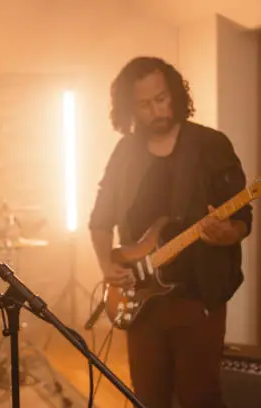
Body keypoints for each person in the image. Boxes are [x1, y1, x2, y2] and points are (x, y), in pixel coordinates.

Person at [89, 56, 252, 407]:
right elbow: (100, 218)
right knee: (148, 397)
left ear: (175, 94)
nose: (157, 110)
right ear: (130, 108)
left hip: (198, 299)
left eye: (162, 98)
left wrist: (227, 233)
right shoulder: (125, 152)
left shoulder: (211, 146)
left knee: (200, 397)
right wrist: (106, 264)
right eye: (145, 104)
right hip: (141, 301)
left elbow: (243, 218)